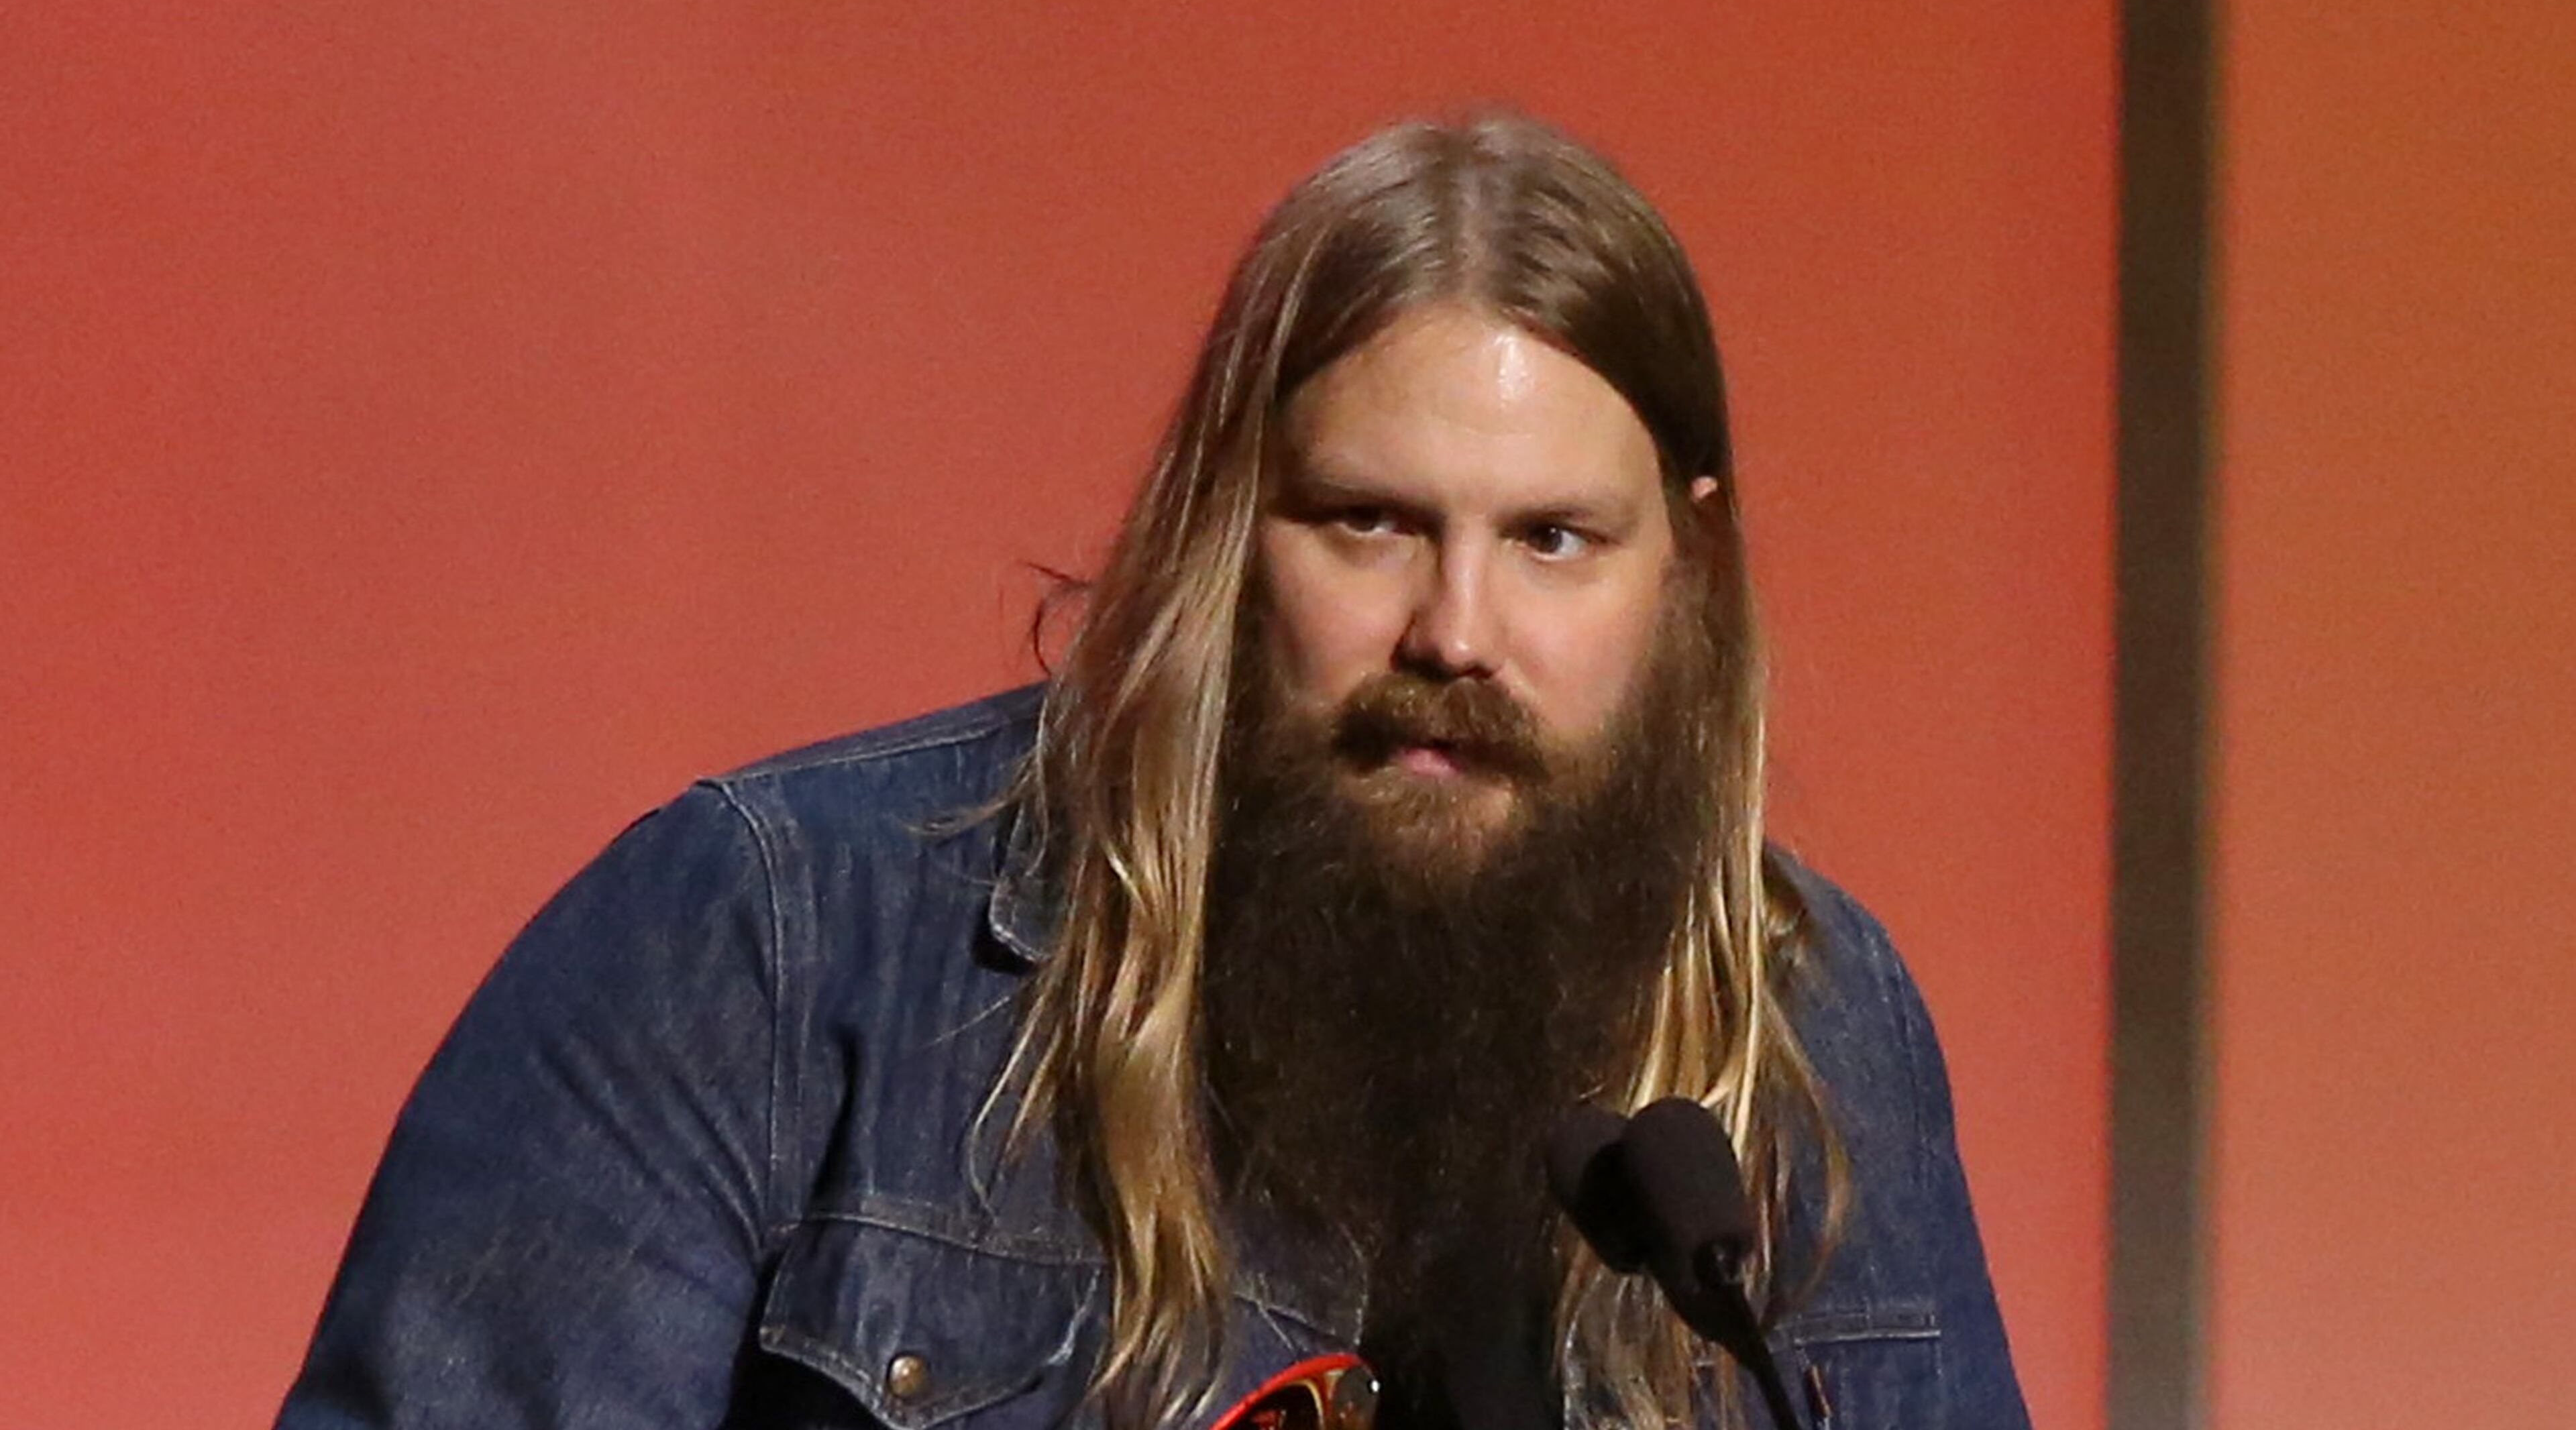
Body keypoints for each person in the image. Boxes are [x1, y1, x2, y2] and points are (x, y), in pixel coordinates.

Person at [278, 114, 2030, 1430]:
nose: (1458, 629)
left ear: (1687, 569)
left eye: (1557, 541)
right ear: (1224, 525)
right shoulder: (770, 939)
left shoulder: (1807, 1029)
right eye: (1369, 524)